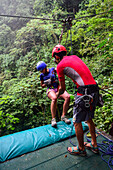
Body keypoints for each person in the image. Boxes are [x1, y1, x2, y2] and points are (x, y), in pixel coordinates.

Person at [52, 44, 99, 156]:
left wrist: (58, 95)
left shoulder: (60, 66)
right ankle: (94, 145)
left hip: (84, 93)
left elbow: (62, 89)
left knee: (76, 121)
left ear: (57, 57)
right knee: (89, 118)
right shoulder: (75, 57)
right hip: (94, 90)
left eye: (55, 57)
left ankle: (81, 148)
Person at [36, 61, 71, 127]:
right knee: (54, 98)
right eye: (40, 71)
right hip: (50, 89)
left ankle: (63, 116)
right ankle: (53, 119)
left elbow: (59, 70)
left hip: (57, 87)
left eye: (41, 70)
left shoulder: (52, 70)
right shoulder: (42, 75)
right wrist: (46, 83)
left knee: (67, 97)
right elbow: (42, 85)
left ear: (45, 67)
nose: (41, 72)